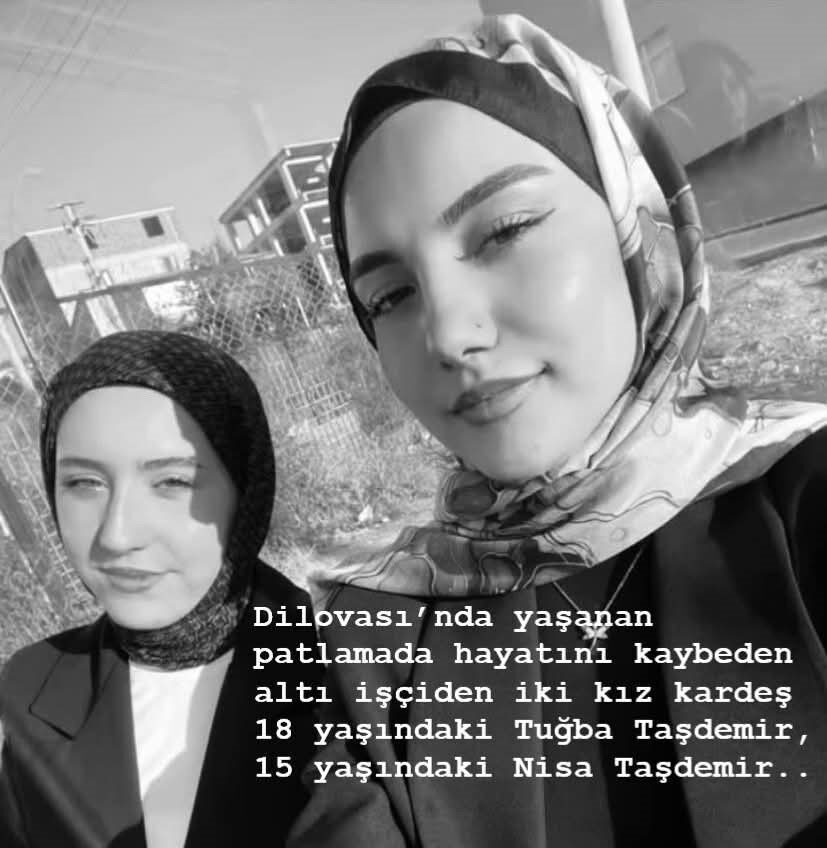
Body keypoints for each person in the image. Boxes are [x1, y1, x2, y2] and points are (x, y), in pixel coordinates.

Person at [287, 13, 827, 848]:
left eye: (503, 232)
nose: (447, 334)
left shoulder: (804, 501)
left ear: (634, 226)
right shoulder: (372, 644)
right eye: (390, 296)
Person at [0, 330, 320, 847]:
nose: (117, 535)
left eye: (172, 482)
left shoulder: (350, 671)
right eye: (83, 483)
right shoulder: (30, 688)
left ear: (245, 491)